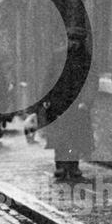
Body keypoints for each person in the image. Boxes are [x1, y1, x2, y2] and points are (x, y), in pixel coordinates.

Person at [41, 26, 95, 180]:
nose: (73, 44)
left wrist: (86, 101)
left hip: (78, 104)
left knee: (76, 136)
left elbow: (92, 81)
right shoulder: (58, 56)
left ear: (81, 42)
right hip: (59, 102)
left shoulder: (86, 59)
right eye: (71, 40)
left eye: (77, 41)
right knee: (59, 136)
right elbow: (49, 78)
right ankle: (60, 167)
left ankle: (74, 167)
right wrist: (46, 99)